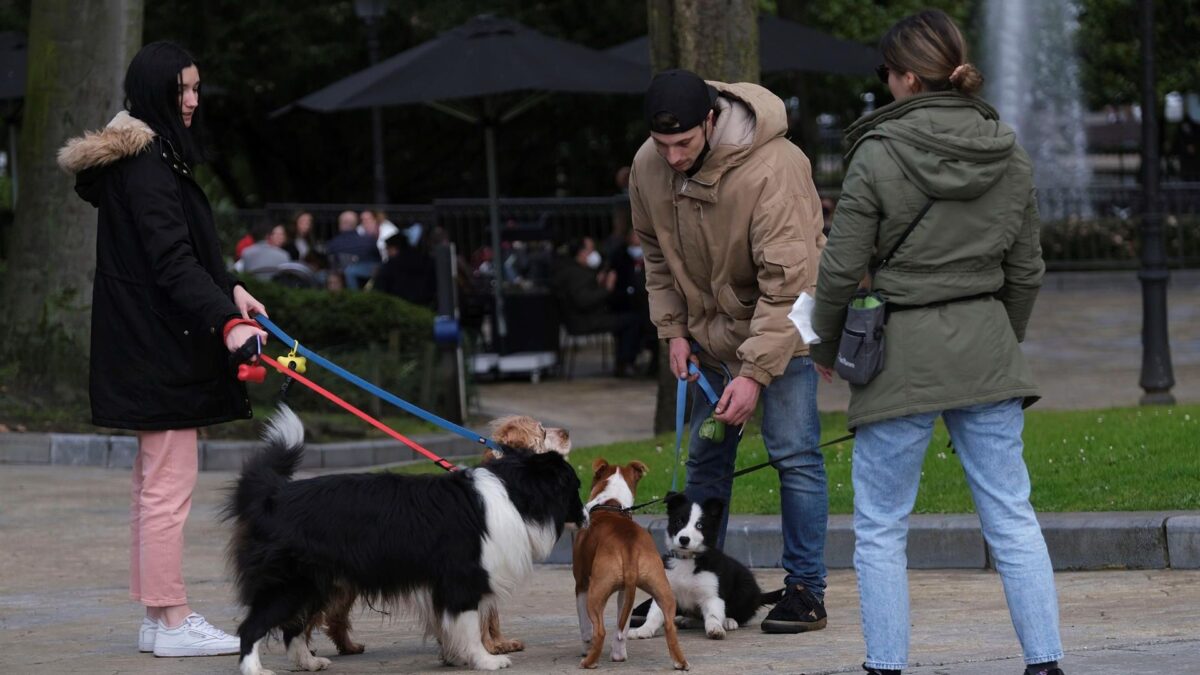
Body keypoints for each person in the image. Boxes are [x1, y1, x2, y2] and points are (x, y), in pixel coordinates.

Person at [809, 11, 1065, 675]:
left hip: (899, 350)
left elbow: (839, 269)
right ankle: (1045, 663)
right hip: (985, 343)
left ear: (907, 77)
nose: (883, 85)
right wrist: (999, 338)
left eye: (886, 74)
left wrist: (825, 346)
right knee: (1012, 515)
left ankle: (885, 665)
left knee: (882, 525)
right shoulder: (1008, 150)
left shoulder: (877, 153)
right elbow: (1027, 270)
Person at [57, 41, 268, 658]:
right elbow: (172, 264)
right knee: (167, 488)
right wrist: (228, 324)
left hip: (151, 345)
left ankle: (157, 618)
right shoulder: (148, 167)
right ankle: (173, 619)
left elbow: (184, 254)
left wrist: (231, 289)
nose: (194, 100)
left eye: (197, 88)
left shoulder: (149, 161)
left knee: (155, 485)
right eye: (184, 90)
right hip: (158, 349)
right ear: (157, 93)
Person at [628, 68, 829, 633]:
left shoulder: (774, 168)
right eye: (661, 144)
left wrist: (756, 373)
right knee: (706, 459)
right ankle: (690, 588)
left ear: (711, 121)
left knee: (795, 455)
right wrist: (674, 331)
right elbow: (656, 257)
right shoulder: (648, 164)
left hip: (781, 331)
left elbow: (790, 285)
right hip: (709, 341)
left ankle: (806, 589)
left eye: (684, 143)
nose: (671, 157)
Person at [550, 237, 642, 377]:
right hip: (584, 321)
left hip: (582, 319)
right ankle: (625, 363)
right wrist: (607, 289)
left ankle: (623, 361)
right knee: (632, 320)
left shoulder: (573, 270)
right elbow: (584, 301)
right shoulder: (576, 274)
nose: (594, 254)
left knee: (625, 317)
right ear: (581, 253)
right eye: (591, 250)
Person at [373, 233, 436, 307]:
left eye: (387, 249)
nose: (387, 252)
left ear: (394, 248)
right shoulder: (425, 260)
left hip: (399, 306)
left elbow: (379, 291)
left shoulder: (390, 266)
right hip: (426, 304)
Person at [325, 210, 380, 290]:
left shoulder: (334, 243)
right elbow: (378, 260)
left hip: (343, 280)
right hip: (368, 280)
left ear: (341, 224)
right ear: (356, 224)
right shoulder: (369, 240)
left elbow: (331, 263)